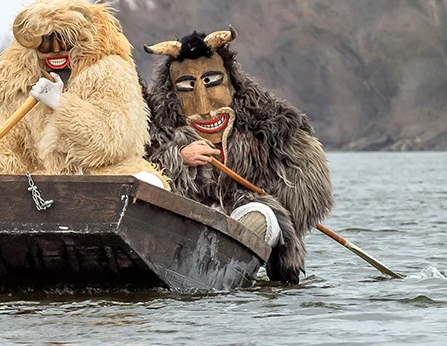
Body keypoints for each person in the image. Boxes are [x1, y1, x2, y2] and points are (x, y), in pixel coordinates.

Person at [142, 27, 332, 283]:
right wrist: (178, 157)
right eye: (187, 86)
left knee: (261, 217)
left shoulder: (263, 126)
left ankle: (224, 271)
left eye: (211, 82)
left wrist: (290, 218)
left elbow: (304, 174)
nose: (204, 106)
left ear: (231, 83)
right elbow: (135, 169)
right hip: (182, 220)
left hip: (240, 209)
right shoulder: (156, 130)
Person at [0, 0, 166, 187]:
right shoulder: (21, 84)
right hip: (48, 184)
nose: (56, 50)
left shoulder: (109, 72)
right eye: (46, 42)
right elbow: (4, 146)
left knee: (146, 182)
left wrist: (61, 104)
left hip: (106, 176)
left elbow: (112, 141)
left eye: (64, 41)